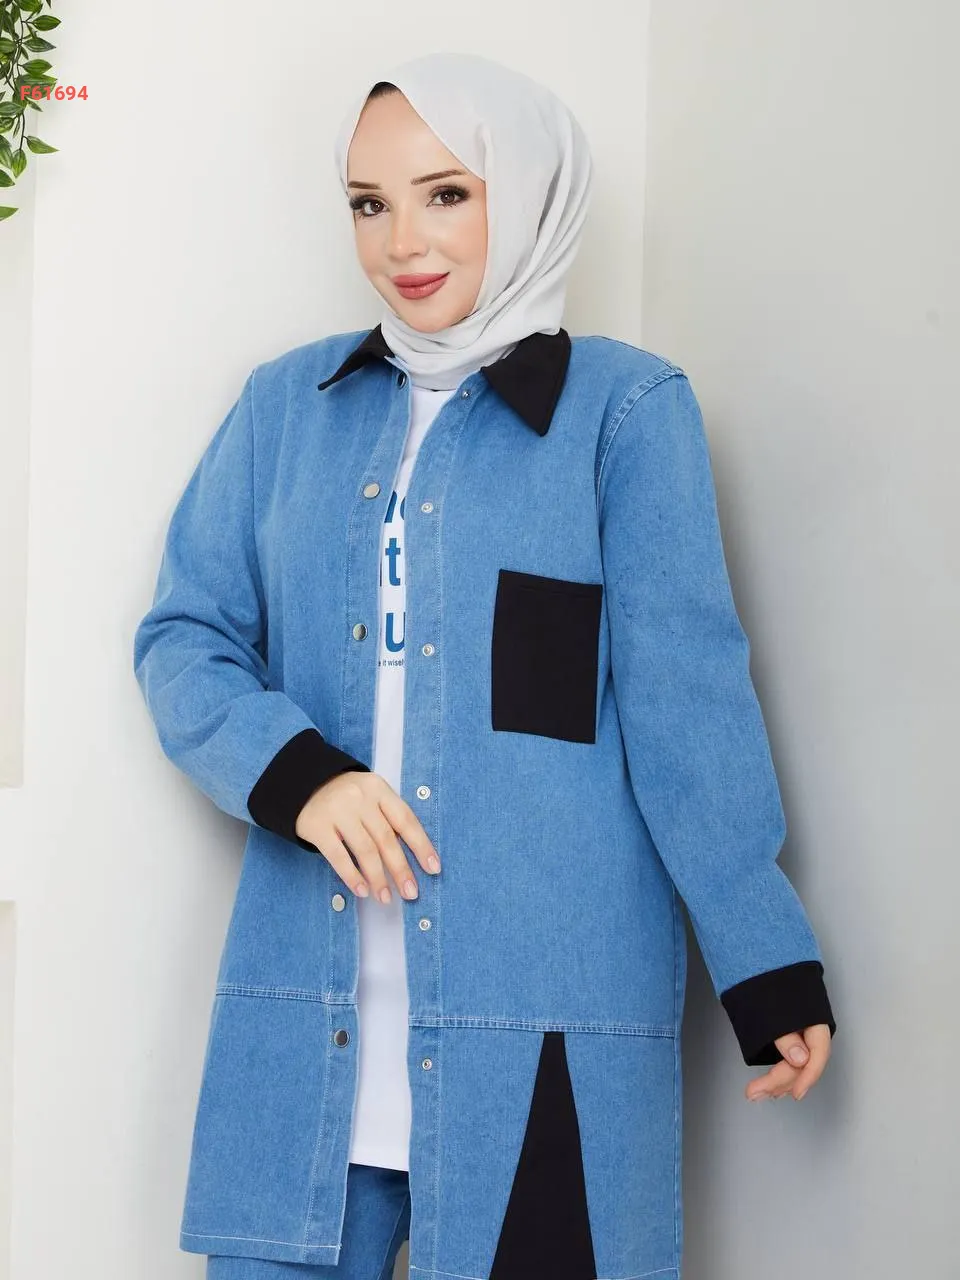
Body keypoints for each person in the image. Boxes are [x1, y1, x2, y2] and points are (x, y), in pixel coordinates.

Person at [133, 51, 836, 1280]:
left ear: (531, 191)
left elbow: (687, 707)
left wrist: (766, 960)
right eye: (369, 202)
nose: (402, 240)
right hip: (310, 1029)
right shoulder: (284, 407)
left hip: (541, 1021)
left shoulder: (627, 413)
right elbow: (185, 634)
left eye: (447, 193)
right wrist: (302, 775)